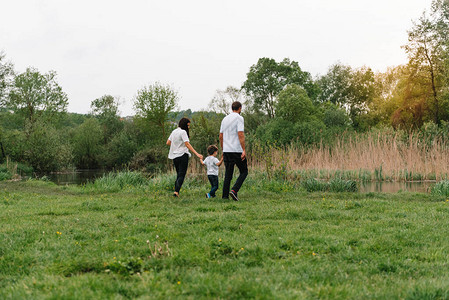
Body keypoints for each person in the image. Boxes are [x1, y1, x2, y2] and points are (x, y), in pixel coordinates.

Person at [166, 118, 203, 197]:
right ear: (184, 125)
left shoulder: (174, 131)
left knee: (178, 174)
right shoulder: (183, 132)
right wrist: (197, 154)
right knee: (182, 174)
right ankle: (176, 192)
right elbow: (187, 144)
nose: (188, 127)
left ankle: (176, 191)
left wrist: (176, 146)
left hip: (175, 156)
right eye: (188, 125)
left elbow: (168, 142)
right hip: (182, 155)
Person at [219, 101, 248, 201]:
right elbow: (240, 134)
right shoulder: (239, 118)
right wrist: (243, 149)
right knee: (244, 171)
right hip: (237, 150)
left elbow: (221, 136)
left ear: (232, 108)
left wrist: (223, 149)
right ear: (240, 108)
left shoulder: (224, 119)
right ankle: (234, 190)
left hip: (227, 150)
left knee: (228, 174)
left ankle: (225, 196)